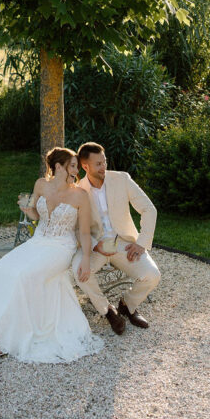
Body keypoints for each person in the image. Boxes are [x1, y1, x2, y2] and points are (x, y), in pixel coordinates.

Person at [0, 147, 104, 363]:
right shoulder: (41, 185)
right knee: (1, 269)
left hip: (61, 247)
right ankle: (5, 335)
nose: (75, 171)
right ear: (58, 167)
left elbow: (84, 231)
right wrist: (27, 209)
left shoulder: (80, 195)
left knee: (24, 276)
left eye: (76, 167)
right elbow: (35, 213)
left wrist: (86, 260)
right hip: (38, 242)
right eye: (72, 166)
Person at [72, 141, 161, 334]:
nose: (104, 166)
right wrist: (95, 246)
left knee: (152, 275)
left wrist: (141, 243)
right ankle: (108, 310)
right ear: (85, 166)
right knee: (81, 273)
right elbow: (78, 227)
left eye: (104, 161)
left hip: (124, 243)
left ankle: (126, 305)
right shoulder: (78, 190)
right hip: (96, 245)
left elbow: (148, 209)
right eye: (98, 164)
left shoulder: (122, 179)